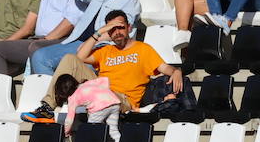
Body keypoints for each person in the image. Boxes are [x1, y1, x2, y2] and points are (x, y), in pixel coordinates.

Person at [26, 10, 183, 133]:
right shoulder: (106, 50)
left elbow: (164, 68)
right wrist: (99, 33)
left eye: (120, 27)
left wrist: (176, 71)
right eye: (112, 30)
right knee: (69, 58)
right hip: (99, 90)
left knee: (102, 92)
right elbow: (80, 56)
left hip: (122, 99)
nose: (117, 32)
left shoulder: (143, 49)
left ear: (129, 27)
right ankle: (47, 107)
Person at [29, 0, 141, 76]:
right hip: (78, 41)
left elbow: (121, 30)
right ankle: (53, 94)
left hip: (104, 47)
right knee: (39, 56)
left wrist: (91, 42)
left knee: (73, 69)